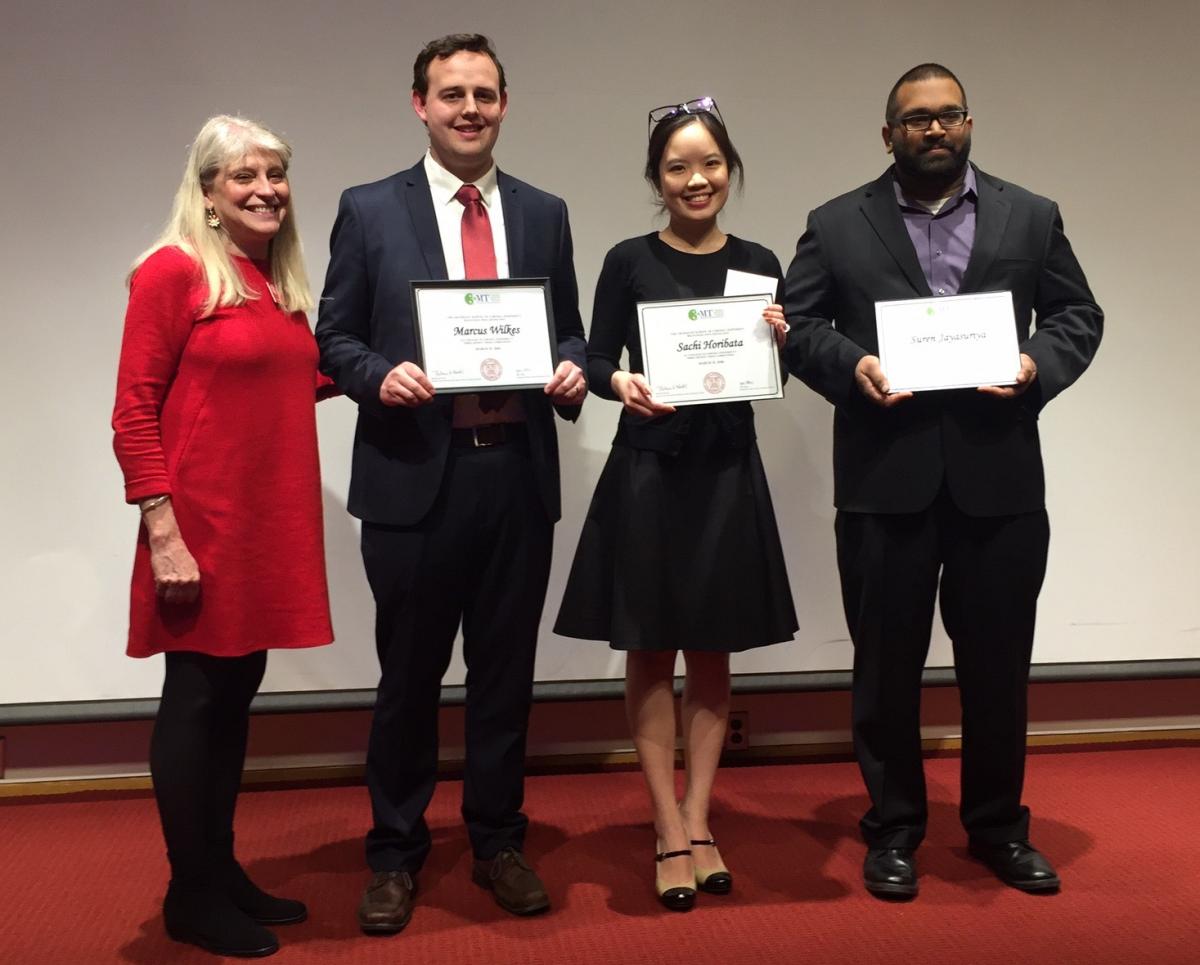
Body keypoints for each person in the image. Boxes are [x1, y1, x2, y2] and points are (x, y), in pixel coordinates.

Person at [783, 64, 1103, 898]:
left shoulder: (1031, 215)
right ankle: (893, 832)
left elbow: (1078, 315)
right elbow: (798, 325)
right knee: (884, 671)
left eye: (949, 115)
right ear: (886, 133)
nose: (934, 129)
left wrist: (1038, 363)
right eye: (915, 119)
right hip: (884, 485)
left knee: (998, 667)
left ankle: (998, 826)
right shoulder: (834, 222)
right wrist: (852, 364)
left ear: (969, 124)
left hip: (999, 487)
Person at [315, 34, 587, 933]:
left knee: (505, 678)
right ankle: (394, 852)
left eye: (484, 93)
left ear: (505, 103)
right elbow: (335, 337)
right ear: (419, 104)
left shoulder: (545, 211)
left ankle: (498, 841)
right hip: (411, 480)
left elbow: (573, 331)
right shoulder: (369, 209)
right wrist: (375, 376)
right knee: (408, 679)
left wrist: (573, 368)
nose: (468, 108)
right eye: (450, 93)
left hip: (514, 474)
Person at [554, 98, 797, 911]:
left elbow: (774, 379)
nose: (697, 180)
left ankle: (700, 818)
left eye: (711, 164)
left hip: (727, 471)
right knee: (652, 650)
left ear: (731, 169)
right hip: (650, 471)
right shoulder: (628, 258)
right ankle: (665, 822)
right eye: (678, 167)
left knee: (715, 652)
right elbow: (592, 358)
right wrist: (619, 381)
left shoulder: (761, 260)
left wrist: (779, 343)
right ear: (657, 179)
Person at [112, 115, 333, 957]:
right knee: (197, 699)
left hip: (265, 524)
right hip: (199, 527)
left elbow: (307, 381)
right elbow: (132, 411)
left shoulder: (272, 282)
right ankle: (188, 890)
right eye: (243, 176)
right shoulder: (170, 273)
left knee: (236, 700)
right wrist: (163, 531)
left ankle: (219, 868)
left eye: (276, 173)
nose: (265, 189)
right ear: (206, 192)